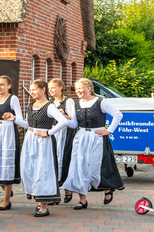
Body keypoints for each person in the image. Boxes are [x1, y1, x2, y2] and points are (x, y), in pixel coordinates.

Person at [61, 78, 124, 208]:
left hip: (97, 137)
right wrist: (62, 118)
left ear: (89, 88)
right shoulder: (77, 104)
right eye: (76, 89)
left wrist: (109, 130)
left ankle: (107, 189)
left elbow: (118, 115)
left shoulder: (100, 102)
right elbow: (74, 124)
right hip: (81, 138)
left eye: (80, 88)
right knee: (79, 167)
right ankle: (82, 200)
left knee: (97, 166)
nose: (78, 91)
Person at [20, 80, 69, 217]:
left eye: (35, 89)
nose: (32, 92)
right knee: (31, 169)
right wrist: (13, 118)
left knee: (43, 170)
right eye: (31, 90)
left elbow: (63, 121)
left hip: (44, 142)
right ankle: (38, 198)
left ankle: (44, 206)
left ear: (43, 90)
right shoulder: (31, 106)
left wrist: (48, 133)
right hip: (30, 140)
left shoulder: (49, 106)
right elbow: (27, 124)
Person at [0, 75, 23, 210]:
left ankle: (6, 200)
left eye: (2, 84)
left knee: (7, 164)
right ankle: (7, 190)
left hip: (8, 132)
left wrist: (12, 116)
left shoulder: (13, 99)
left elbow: (20, 117)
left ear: (9, 86)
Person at [48, 78, 76, 203]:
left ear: (60, 88)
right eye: (49, 88)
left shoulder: (68, 101)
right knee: (52, 161)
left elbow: (73, 120)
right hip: (52, 132)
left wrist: (63, 115)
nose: (51, 90)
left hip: (64, 133)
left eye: (53, 87)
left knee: (64, 160)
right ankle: (54, 193)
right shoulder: (49, 102)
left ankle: (67, 188)